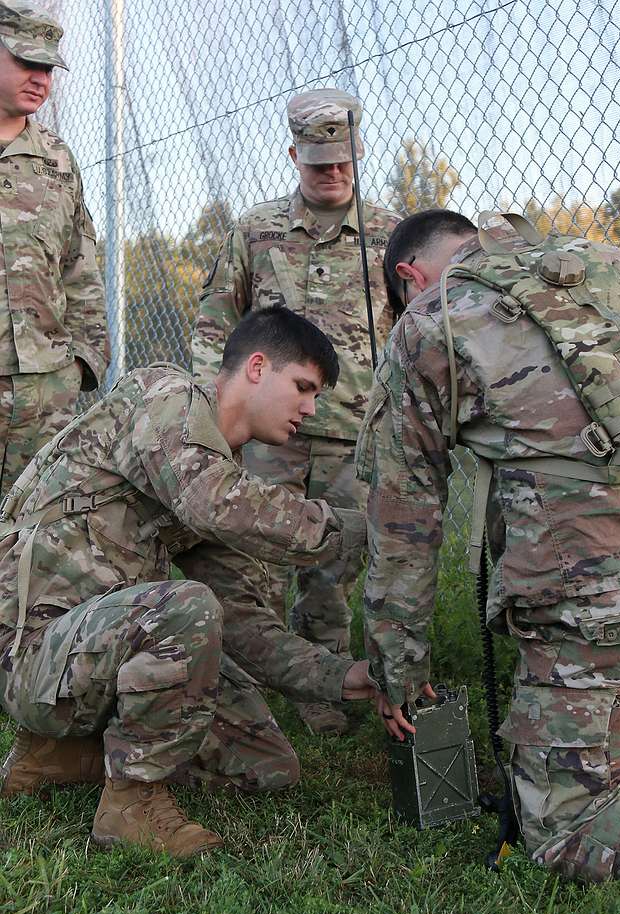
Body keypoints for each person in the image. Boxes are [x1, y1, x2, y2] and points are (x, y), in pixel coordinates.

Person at [358, 207, 620, 884]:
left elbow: (403, 524)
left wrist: (399, 666)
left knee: (568, 830)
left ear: (410, 278)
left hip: (598, 603)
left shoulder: (431, 321)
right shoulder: (619, 270)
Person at [0, 307, 376, 858]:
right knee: (186, 607)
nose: (310, 409)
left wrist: (341, 677)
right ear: (255, 367)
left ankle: (66, 754)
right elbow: (215, 506)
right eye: (302, 387)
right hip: (31, 656)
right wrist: (359, 531)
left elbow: (245, 625)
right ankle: (132, 802)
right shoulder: (165, 397)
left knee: (268, 765)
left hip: (91, 655)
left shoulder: (219, 473)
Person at [192, 88, 400, 735]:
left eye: (342, 161)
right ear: (293, 156)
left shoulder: (390, 239)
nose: (332, 174)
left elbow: (414, 335)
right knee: (250, 556)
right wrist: (210, 420)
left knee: (333, 564)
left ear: (358, 152)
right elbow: (213, 326)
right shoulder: (256, 232)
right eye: (317, 164)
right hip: (267, 438)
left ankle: (326, 691)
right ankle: (243, 688)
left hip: (353, 434)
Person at [0, 3, 108, 499]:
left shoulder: (58, 159)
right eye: (27, 63)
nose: (41, 78)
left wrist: (83, 362)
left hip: (46, 392)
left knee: (35, 533)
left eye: (49, 67)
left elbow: (80, 267)